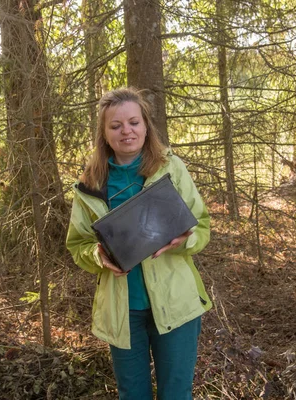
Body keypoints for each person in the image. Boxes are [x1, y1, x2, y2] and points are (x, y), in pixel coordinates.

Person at [66, 87, 212, 400]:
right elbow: (78, 244)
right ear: (104, 134)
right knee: (132, 394)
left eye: (133, 122)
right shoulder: (90, 184)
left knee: (176, 394)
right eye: (116, 126)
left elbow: (202, 226)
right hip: (122, 310)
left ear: (146, 125)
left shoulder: (171, 168)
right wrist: (97, 256)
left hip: (175, 303)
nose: (126, 131)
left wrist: (185, 240)